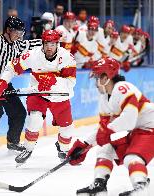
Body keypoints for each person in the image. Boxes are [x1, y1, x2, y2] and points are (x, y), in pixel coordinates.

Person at [66, 57, 154, 195]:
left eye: (97, 77)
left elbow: (129, 119)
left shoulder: (123, 88)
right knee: (104, 149)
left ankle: (141, 186)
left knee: (132, 158)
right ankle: (99, 185)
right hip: (138, 131)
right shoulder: (105, 98)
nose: (95, 82)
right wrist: (84, 145)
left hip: (151, 129)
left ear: (106, 76)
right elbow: (103, 128)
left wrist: (107, 131)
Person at [0, 30, 76, 165]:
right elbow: (12, 67)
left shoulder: (67, 58)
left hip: (59, 97)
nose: (49, 47)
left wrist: (53, 81)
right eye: (47, 43)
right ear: (42, 43)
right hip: (38, 94)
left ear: (58, 44)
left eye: (53, 44)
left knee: (67, 128)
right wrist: (1, 83)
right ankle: (28, 148)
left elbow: (70, 83)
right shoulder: (33, 55)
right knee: (35, 120)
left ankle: (63, 150)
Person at [0, 16, 42, 156]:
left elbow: (32, 44)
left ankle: (13, 142)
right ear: (8, 30)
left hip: (5, 84)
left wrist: (50, 41)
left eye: (21, 33)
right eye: (17, 32)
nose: (19, 35)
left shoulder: (17, 44)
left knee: (19, 112)